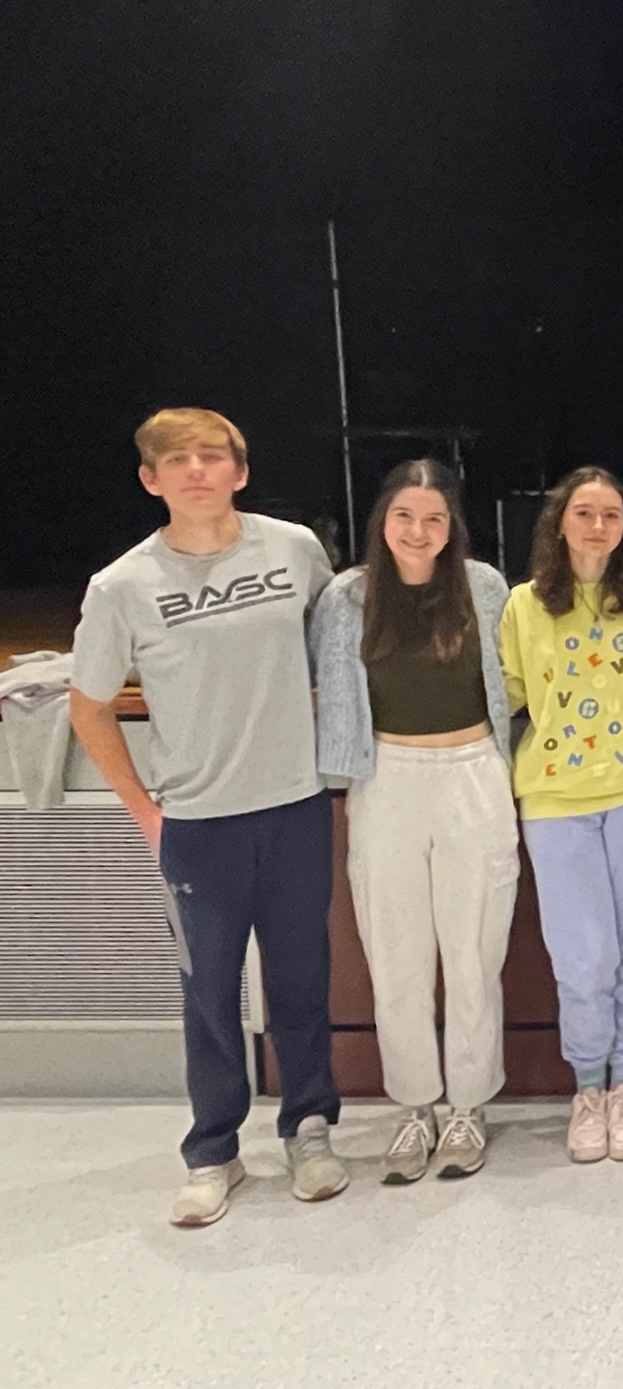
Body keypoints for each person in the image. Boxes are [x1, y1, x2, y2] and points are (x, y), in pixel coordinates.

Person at [67, 408, 344, 1227]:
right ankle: (214, 1150)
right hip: (197, 825)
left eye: (212, 456)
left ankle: (311, 1129)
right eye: (176, 460)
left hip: (295, 808)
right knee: (209, 992)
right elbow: (88, 712)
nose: (197, 470)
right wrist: (147, 815)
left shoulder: (295, 550)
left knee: (301, 982)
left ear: (240, 470)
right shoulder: (121, 588)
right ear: (151, 480)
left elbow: (335, 658)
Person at [310, 460, 518, 1183]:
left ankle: (467, 1103)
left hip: (474, 773)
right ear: (382, 522)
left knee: (472, 953)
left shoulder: (485, 589)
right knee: (396, 958)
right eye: (405, 517)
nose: (419, 532)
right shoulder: (347, 597)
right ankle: (414, 1106)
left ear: (452, 526)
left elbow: (514, 680)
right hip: (386, 780)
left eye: (434, 519)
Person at [501, 467, 623, 1165]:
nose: (598, 526)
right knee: (582, 959)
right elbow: (513, 699)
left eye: (612, 514)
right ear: (560, 522)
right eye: (585, 513)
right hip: (554, 801)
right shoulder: (523, 606)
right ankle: (587, 1086)